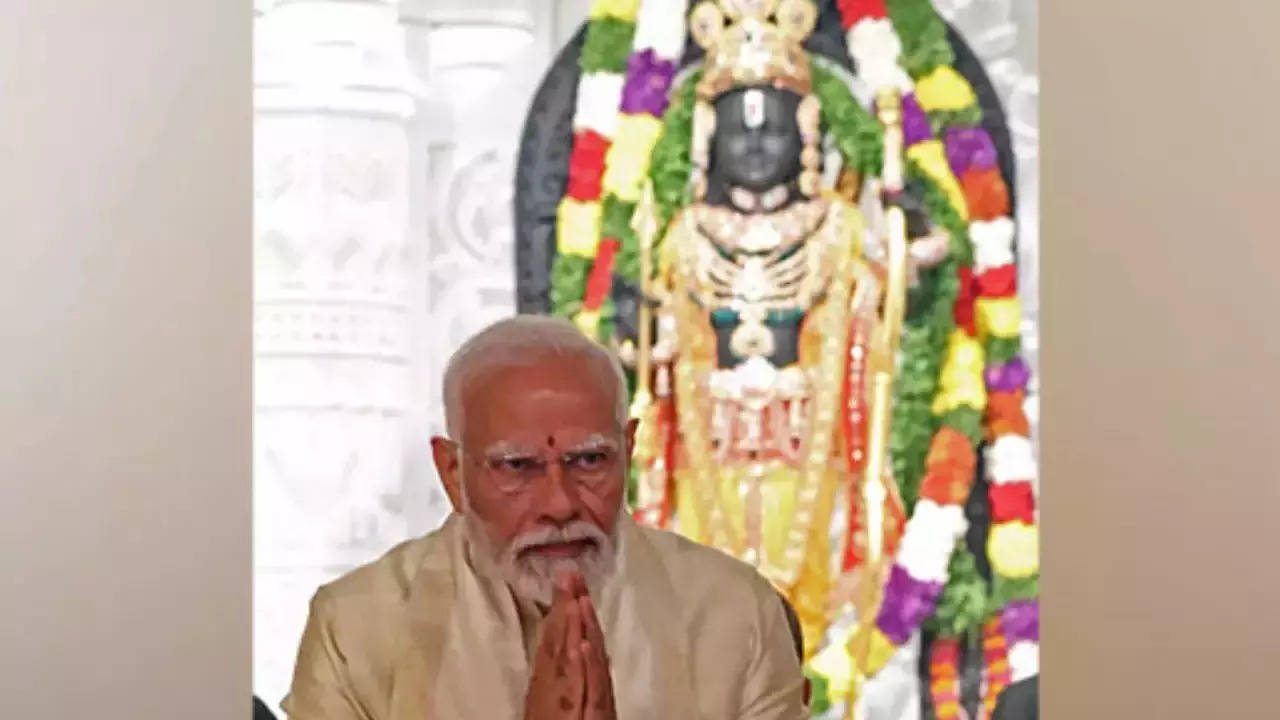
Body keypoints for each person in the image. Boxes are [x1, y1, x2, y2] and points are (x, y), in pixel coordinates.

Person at [282, 315, 806, 719]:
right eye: (518, 467)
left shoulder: (736, 615)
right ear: (451, 473)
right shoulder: (356, 629)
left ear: (628, 449)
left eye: (590, 460)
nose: (560, 503)